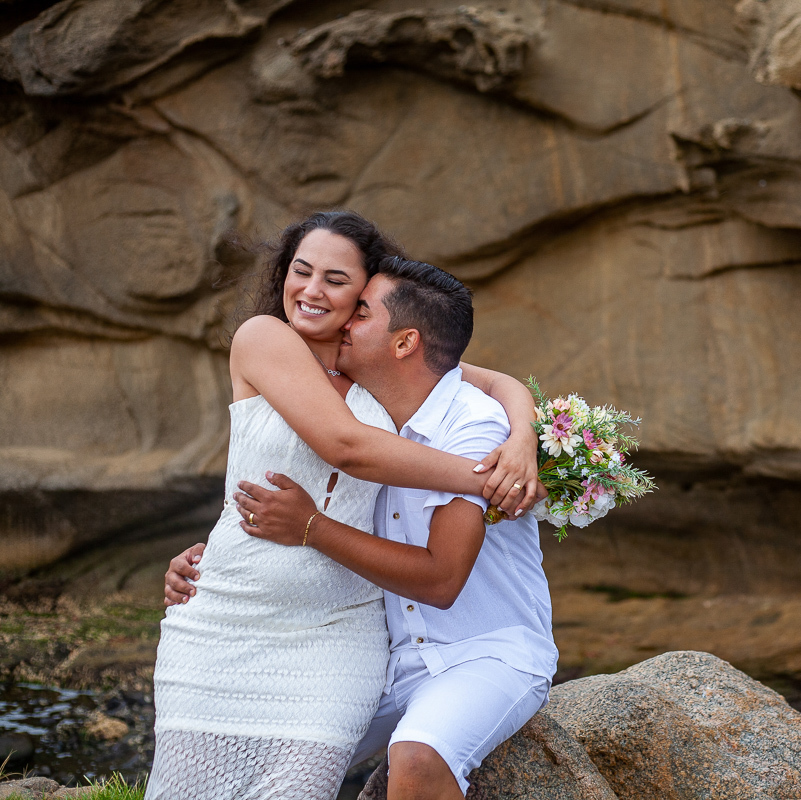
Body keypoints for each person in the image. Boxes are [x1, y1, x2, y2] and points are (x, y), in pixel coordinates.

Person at [146, 212, 542, 800]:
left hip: (338, 633)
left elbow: (491, 381)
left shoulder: (370, 359)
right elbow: (343, 447)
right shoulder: (264, 336)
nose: (311, 290)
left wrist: (523, 439)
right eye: (300, 271)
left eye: (336, 281)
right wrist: (491, 481)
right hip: (226, 616)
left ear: (363, 295)